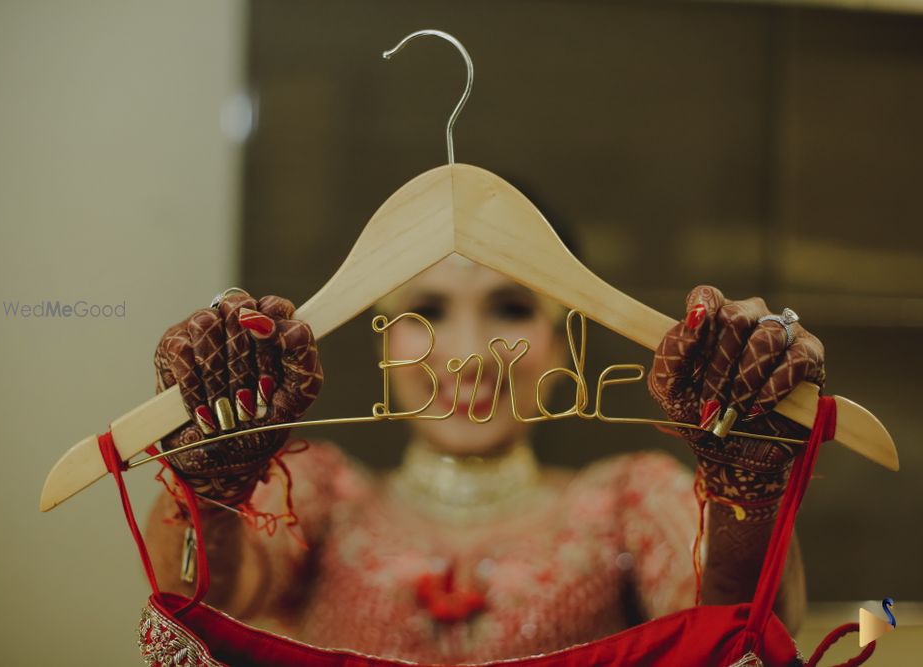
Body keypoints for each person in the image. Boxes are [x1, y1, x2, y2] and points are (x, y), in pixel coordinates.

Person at [144, 256, 823, 664]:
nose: (468, 350)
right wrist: (212, 482)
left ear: (563, 344)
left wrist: (748, 487)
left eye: (510, 306)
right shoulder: (321, 489)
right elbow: (207, 609)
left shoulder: (626, 497)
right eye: (427, 309)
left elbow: (744, 629)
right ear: (383, 344)